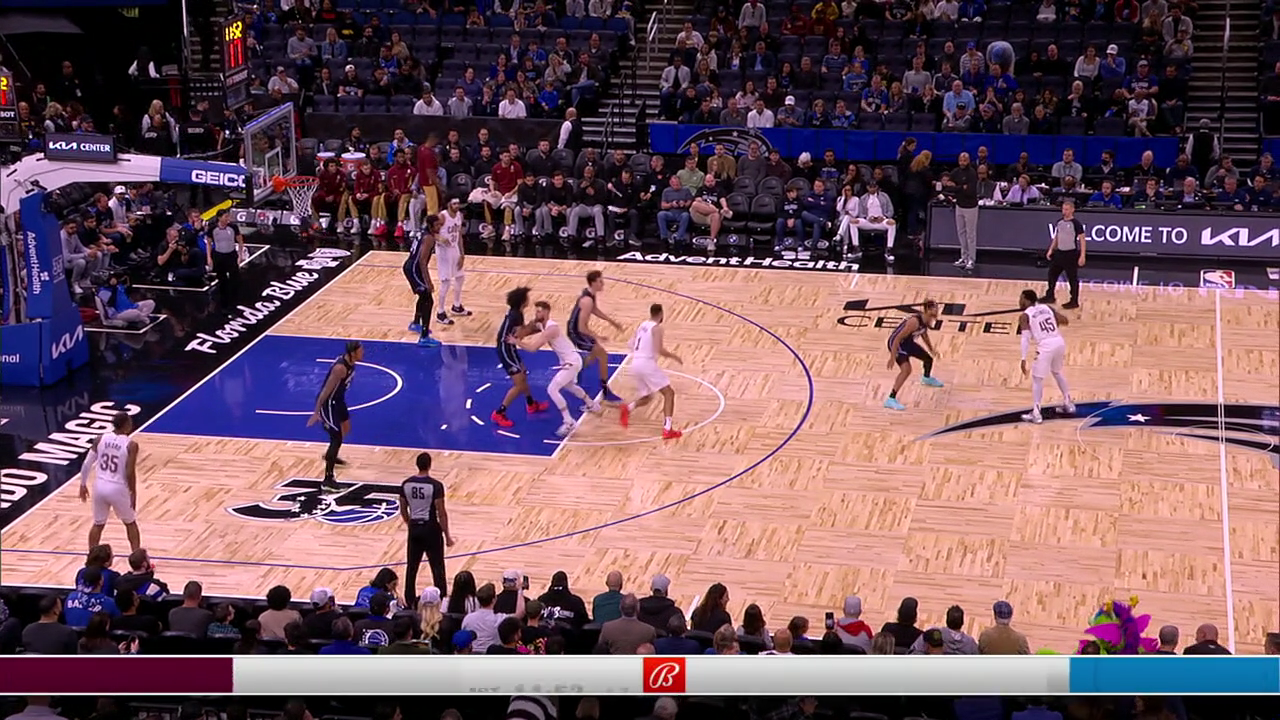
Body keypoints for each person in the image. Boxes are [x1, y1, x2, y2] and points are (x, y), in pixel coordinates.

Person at [511, 301, 604, 437]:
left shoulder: (551, 329)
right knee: (570, 386)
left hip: (571, 362)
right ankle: (591, 404)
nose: (536, 314)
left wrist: (516, 341)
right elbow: (530, 327)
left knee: (552, 389)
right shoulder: (542, 325)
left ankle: (568, 421)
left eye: (539, 311)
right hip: (571, 360)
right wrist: (521, 332)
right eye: (536, 311)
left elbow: (532, 348)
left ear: (546, 312)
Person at [618, 304, 684, 440]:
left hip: (635, 363)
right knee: (669, 393)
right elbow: (660, 350)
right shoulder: (657, 328)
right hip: (646, 363)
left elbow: (630, 344)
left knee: (648, 396)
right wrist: (674, 357)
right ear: (661, 314)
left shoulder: (642, 325)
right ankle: (668, 429)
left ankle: (627, 408)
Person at [78, 412, 142, 552]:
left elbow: (87, 463)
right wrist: (133, 492)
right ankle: (136, 557)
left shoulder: (100, 438)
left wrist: (82, 484)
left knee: (98, 524)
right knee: (130, 523)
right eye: (130, 421)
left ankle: (91, 557)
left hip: (99, 486)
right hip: (118, 487)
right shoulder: (131, 445)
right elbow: (129, 472)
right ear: (126, 425)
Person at [307, 340, 363, 491]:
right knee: (336, 438)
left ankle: (331, 455)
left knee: (346, 427)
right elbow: (325, 390)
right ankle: (328, 479)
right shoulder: (340, 368)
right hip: (328, 403)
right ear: (353, 353)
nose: (363, 353)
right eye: (360, 351)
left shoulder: (351, 362)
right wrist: (316, 412)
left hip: (338, 400)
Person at [492, 287, 550, 428]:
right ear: (522, 301)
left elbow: (521, 332)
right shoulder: (515, 315)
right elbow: (521, 334)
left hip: (509, 348)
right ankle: (499, 413)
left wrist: (537, 325)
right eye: (527, 297)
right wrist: (539, 326)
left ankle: (531, 404)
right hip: (506, 350)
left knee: (523, 375)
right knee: (519, 384)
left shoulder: (516, 313)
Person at [400, 452, 453, 607]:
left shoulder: (406, 484)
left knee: (412, 566)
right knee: (437, 567)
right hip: (431, 528)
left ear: (417, 465)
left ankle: (409, 601)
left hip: (414, 527)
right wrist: (447, 536)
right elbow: (441, 512)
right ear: (430, 465)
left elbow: (403, 509)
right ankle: (441, 599)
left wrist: (410, 523)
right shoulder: (435, 485)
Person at [1016, 289, 1076, 425]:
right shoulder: (1046, 307)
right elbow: (1065, 321)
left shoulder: (1025, 316)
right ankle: (1068, 403)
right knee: (1057, 372)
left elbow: (1025, 338)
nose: (1019, 301)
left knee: (1037, 379)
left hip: (1045, 346)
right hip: (1059, 342)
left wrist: (1023, 358)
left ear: (1027, 300)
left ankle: (1036, 414)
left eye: (1021, 298)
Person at [567, 271, 624, 403]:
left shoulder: (590, 294)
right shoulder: (587, 300)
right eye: (600, 281)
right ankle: (605, 391)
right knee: (602, 354)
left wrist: (611, 321)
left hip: (578, 329)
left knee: (595, 353)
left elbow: (594, 309)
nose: (603, 283)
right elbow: (581, 328)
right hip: (576, 332)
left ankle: (577, 370)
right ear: (593, 283)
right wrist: (598, 337)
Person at [884, 300, 944, 411]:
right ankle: (890, 399)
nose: (937, 311)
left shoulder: (926, 320)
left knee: (928, 359)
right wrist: (892, 357)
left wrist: (931, 349)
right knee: (906, 370)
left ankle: (926, 378)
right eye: (934, 309)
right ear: (928, 310)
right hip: (897, 344)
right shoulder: (914, 322)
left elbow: (924, 335)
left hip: (908, 343)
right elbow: (897, 338)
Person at [404, 214, 441, 347]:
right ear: (430, 226)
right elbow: (422, 261)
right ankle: (424, 337)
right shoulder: (429, 238)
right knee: (428, 299)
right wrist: (428, 282)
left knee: (423, 296)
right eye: (437, 225)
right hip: (414, 269)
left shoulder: (423, 232)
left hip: (411, 266)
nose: (439, 227)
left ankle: (415, 323)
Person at [434, 199, 471, 326]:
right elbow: (430, 232)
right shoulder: (442, 216)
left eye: (458, 203)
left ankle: (456, 306)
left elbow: (459, 236)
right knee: (446, 282)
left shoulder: (459, 216)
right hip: (443, 252)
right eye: (454, 204)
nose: (457, 206)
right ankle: (440, 312)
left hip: (454, 249)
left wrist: (462, 254)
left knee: (460, 277)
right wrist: (440, 238)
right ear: (448, 204)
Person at [1043, 199, 1085, 309]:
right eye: (1063, 209)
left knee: (1072, 278)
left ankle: (1074, 300)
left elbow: (1082, 239)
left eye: (1067, 209)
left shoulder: (1076, 224)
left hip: (1070, 254)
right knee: (1052, 274)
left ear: (1072, 210)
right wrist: (1051, 249)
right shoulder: (1059, 222)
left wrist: (1082, 255)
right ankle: (1050, 296)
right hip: (1059, 253)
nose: (1064, 211)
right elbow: (1057, 237)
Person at [207, 210, 245, 312]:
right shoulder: (212, 229)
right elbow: (209, 243)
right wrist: (209, 257)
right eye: (226, 216)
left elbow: (240, 241)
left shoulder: (233, 227)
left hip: (231, 255)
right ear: (219, 218)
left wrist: (240, 255)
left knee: (234, 278)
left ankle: (235, 301)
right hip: (219, 256)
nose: (228, 218)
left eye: (228, 216)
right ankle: (224, 304)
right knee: (222, 280)